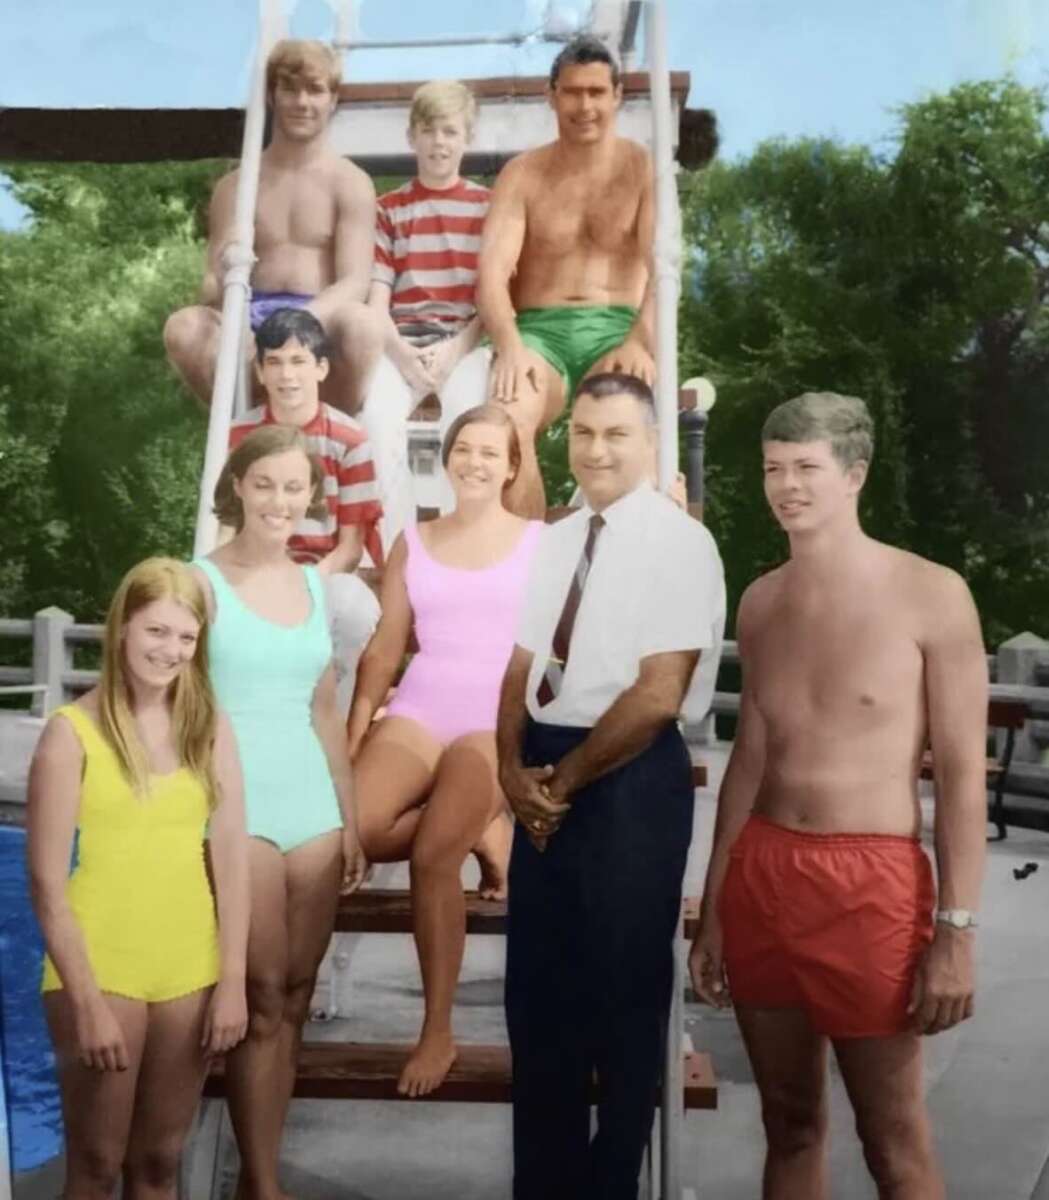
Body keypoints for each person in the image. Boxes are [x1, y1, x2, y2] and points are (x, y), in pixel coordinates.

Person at [688, 392, 988, 1200]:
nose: (786, 486)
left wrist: (955, 932)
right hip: (763, 874)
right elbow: (748, 759)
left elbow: (962, 777)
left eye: (806, 469)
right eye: (772, 470)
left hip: (871, 883)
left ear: (853, 474)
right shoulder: (760, 601)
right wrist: (714, 905)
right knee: (788, 1123)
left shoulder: (932, 593)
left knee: (891, 1137)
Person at [496, 373, 725, 1200]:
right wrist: (509, 771)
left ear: (651, 441)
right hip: (545, 770)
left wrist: (560, 784)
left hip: (628, 773)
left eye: (615, 435)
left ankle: (611, 1188)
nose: (595, 449)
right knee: (538, 1005)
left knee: (622, 1008)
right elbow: (520, 667)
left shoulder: (680, 543)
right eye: (583, 432)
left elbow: (659, 692)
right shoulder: (554, 538)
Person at [26, 557, 249, 1200]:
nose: (171, 650)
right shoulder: (71, 736)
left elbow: (231, 856)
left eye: (186, 637)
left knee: (158, 1165)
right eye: (156, 631)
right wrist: (88, 1003)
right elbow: (45, 885)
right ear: (122, 627)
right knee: (96, 1168)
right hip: (100, 964)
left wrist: (231, 980)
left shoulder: (210, 728)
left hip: (190, 964)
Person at [193, 425, 368, 1200]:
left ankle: (257, 1171)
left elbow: (325, 707)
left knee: (294, 995)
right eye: (264, 484)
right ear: (236, 486)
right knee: (261, 992)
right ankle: (260, 1182)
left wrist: (350, 815)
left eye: (294, 487)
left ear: (312, 496)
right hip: (236, 809)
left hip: (312, 809)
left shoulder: (313, 585)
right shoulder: (197, 582)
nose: (279, 501)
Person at [347, 403, 542, 1098]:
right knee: (361, 829)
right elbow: (385, 645)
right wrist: (356, 729)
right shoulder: (414, 540)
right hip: (420, 708)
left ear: (513, 465)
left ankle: (436, 1030)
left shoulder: (540, 542)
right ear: (447, 455)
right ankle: (481, 826)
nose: (474, 462)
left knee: (433, 855)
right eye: (464, 448)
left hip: (494, 724)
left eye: (491, 452)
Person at [469, 36, 656, 518]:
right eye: (572, 92)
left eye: (596, 92)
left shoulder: (643, 168)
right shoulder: (522, 174)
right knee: (506, 425)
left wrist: (639, 340)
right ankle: (524, 568)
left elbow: (668, 271)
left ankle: (616, 566)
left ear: (618, 95)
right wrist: (509, 344)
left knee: (624, 424)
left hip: (616, 330)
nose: (585, 105)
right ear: (551, 96)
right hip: (537, 333)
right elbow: (490, 276)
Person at [164, 39, 381, 414]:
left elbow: (354, 283)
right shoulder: (236, 186)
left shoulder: (350, 181)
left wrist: (294, 324)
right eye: (290, 88)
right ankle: (246, 421)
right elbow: (212, 286)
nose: (302, 102)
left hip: (319, 316)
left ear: (332, 99)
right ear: (271, 94)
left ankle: (332, 429)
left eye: (314, 90)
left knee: (363, 325)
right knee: (183, 327)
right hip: (248, 313)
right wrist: (222, 274)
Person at [358, 79, 492, 553]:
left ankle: (461, 549)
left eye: (450, 131)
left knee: (469, 427)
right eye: (430, 130)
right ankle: (395, 552)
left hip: (463, 344)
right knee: (377, 423)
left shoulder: (486, 208)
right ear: (412, 136)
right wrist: (402, 355)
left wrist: (455, 351)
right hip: (397, 344)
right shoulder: (388, 209)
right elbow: (377, 301)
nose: (439, 142)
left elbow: (491, 300)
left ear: (467, 138)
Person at [228, 307, 383, 711]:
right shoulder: (238, 436)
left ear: (321, 368)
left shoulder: (351, 439)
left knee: (352, 606)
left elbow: (350, 546)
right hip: (252, 569)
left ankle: (323, 720)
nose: (286, 375)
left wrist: (302, 585)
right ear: (260, 372)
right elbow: (225, 525)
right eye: (274, 363)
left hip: (320, 575)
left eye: (298, 361)